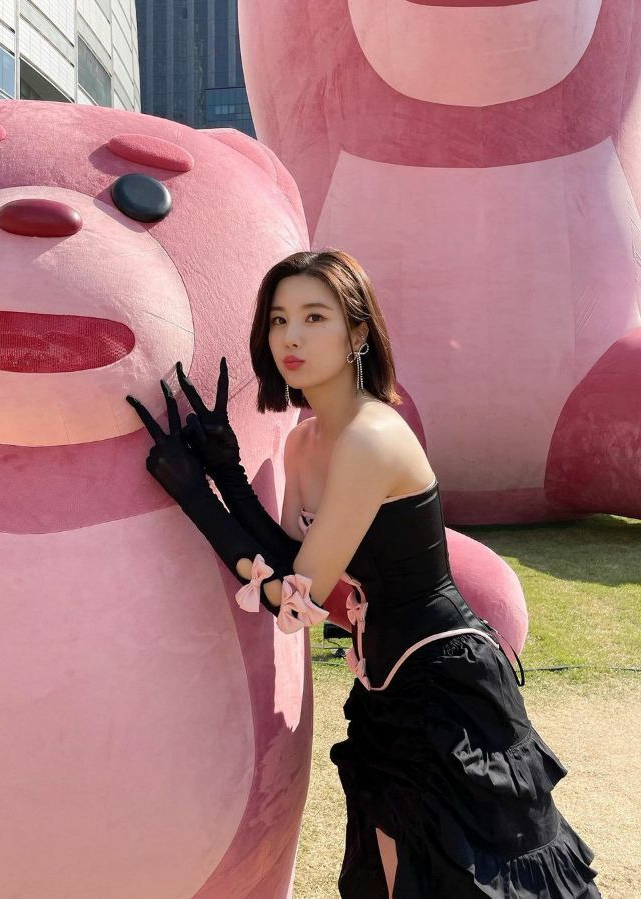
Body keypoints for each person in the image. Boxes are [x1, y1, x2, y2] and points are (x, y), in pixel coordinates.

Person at [126, 250, 601, 898]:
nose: (291, 337)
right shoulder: (305, 440)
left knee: (464, 880)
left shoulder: (371, 437)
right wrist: (227, 470)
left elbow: (298, 600)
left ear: (357, 333)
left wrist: (196, 496)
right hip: (387, 684)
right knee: (397, 875)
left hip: (447, 683)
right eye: (278, 319)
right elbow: (290, 558)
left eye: (314, 317)